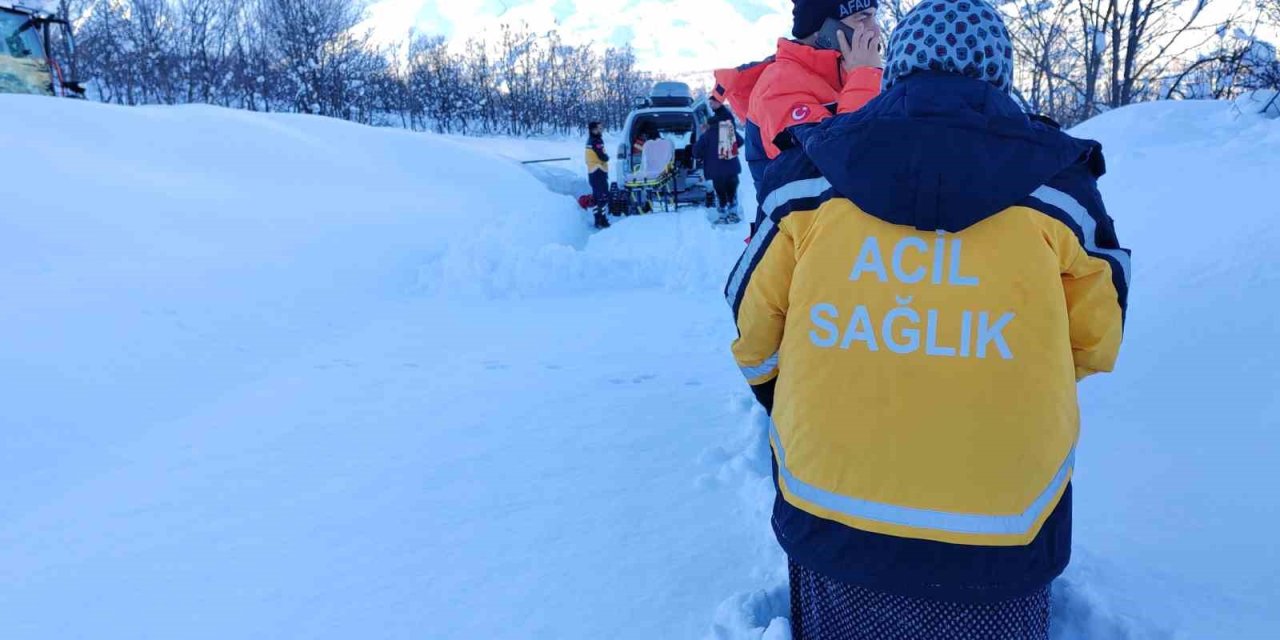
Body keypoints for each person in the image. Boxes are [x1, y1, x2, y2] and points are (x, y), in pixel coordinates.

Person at [725, 1, 1131, 638]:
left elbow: (753, 333)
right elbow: (1097, 336)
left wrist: (791, 392)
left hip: (832, 514)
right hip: (1003, 523)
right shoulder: (1059, 188)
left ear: (898, 64)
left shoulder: (808, 176)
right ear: (999, 72)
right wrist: (1003, 361)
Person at [749, 0, 885, 162]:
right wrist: (864, 78)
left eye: (874, 16)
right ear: (823, 27)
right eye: (862, 17)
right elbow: (834, 164)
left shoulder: (848, 70)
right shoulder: (778, 85)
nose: (876, 30)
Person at [694, 93, 746, 223]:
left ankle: (723, 215)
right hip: (730, 166)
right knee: (731, 190)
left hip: (716, 170)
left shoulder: (708, 133)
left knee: (720, 192)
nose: (711, 106)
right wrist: (729, 147)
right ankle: (733, 213)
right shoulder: (728, 128)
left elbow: (696, 151)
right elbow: (740, 141)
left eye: (712, 103)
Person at [584, 121, 611, 229]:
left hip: (593, 172)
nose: (601, 130)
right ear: (593, 130)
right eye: (599, 128)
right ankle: (602, 220)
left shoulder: (590, 140)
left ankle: (597, 219)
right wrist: (606, 157)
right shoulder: (596, 141)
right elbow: (602, 157)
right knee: (603, 196)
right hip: (598, 170)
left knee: (596, 196)